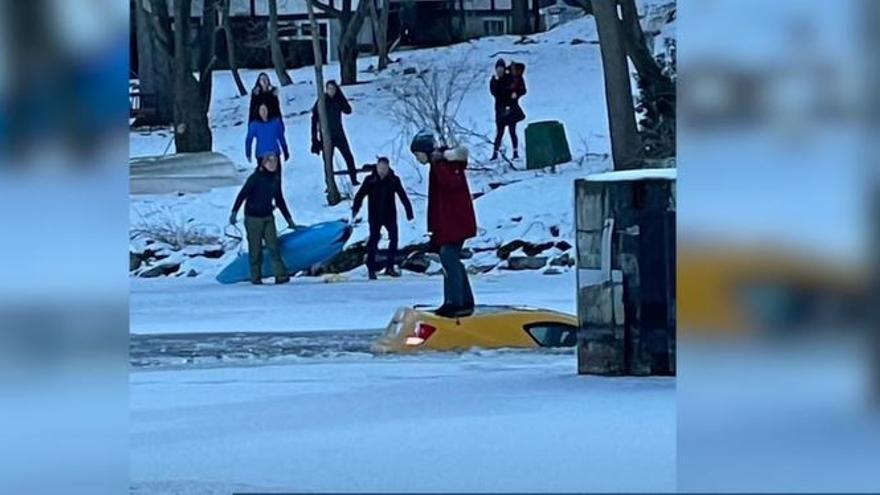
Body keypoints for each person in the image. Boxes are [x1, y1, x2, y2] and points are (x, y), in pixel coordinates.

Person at [410, 131, 477, 317]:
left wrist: (440, 164)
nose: (417, 159)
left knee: (449, 258)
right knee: (451, 259)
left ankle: (455, 302)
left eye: (417, 155)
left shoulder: (442, 165)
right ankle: (463, 300)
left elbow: (451, 186)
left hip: (455, 222)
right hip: (451, 223)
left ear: (425, 151)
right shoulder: (438, 164)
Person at [229, 153, 296, 285]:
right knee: (256, 249)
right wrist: (234, 212)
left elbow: (280, 200)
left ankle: (281, 275)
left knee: (273, 246)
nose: (273, 164)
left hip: (268, 217)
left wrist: (289, 220)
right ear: (264, 163)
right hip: (253, 218)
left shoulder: (275, 179)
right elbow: (242, 195)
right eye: (270, 162)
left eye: (275, 162)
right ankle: (256, 277)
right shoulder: (255, 178)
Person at [352, 157, 415, 280]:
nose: (382, 171)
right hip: (375, 215)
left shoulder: (393, 180)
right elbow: (360, 195)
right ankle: (371, 269)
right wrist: (355, 209)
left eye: (384, 168)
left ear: (388, 168)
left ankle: (390, 267)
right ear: (376, 167)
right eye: (380, 168)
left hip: (389, 214)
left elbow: (402, 195)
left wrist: (409, 211)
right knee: (374, 240)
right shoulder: (370, 180)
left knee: (394, 239)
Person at [310, 80, 359, 185]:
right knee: (327, 161)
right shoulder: (321, 101)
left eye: (334, 89)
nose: (331, 91)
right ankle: (329, 183)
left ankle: (354, 179)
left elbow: (348, 110)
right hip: (326, 136)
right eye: (329, 89)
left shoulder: (338, 99)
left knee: (348, 156)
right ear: (326, 89)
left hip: (339, 133)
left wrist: (341, 97)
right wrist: (314, 139)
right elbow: (314, 120)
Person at [489, 59, 526, 160]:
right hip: (500, 109)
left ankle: (515, 152)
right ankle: (495, 153)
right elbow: (494, 92)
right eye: (498, 69)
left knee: (512, 131)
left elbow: (520, 89)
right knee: (499, 133)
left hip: (511, 108)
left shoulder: (510, 78)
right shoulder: (494, 80)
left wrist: (516, 95)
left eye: (501, 68)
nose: (499, 71)